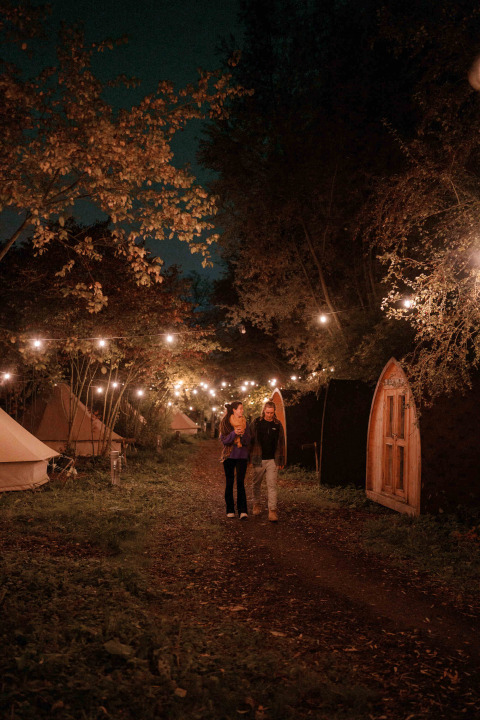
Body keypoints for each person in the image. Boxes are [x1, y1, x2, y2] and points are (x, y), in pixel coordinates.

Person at [250, 400, 285, 522]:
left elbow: (281, 443)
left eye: (271, 412)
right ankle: (256, 504)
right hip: (258, 458)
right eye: (268, 412)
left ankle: (272, 510)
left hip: (272, 460)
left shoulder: (278, 424)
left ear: (274, 412)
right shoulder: (256, 423)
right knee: (256, 484)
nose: (269, 415)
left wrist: (280, 460)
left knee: (272, 485)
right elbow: (250, 440)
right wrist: (249, 457)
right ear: (264, 410)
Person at [219, 401, 250, 519]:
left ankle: (243, 511)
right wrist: (234, 433)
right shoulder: (225, 423)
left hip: (242, 456)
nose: (242, 411)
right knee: (230, 482)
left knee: (241, 483)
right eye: (240, 409)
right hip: (229, 456)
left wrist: (242, 435)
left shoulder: (245, 423)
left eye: (242, 409)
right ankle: (230, 509)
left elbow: (248, 441)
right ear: (234, 410)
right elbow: (225, 441)